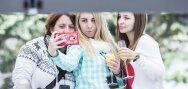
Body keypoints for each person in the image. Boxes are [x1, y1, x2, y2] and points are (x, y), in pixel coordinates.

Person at [48, 12, 124, 89]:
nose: (89, 26)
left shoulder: (109, 46)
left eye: (93, 20)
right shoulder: (78, 44)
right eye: (84, 20)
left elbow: (120, 84)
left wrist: (117, 73)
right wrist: (54, 53)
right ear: (78, 23)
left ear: (100, 21)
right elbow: (69, 64)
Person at [12, 13, 76, 89]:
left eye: (71, 27)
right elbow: (21, 77)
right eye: (62, 26)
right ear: (51, 29)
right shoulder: (34, 46)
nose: (67, 31)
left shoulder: (78, 53)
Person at [116, 12, 165, 89]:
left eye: (126, 18)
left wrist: (137, 57)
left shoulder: (145, 41)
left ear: (138, 21)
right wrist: (117, 71)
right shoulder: (127, 44)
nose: (120, 21)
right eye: (119, 17)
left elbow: (159, 74)